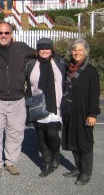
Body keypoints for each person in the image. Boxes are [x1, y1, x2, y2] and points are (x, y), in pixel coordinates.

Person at [0, 21, 35, 178]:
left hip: (18, 99)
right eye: (0, 33)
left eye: (6, 33)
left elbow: (43, 54)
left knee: (15, 133)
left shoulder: (22, 48)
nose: (3, 35)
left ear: (12, 34)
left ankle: (11, 162)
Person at [25, 38, 67, 177]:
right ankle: (47, 164)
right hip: (37, 105)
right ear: (37, 50)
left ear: (51, 50)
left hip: (56, 105)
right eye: (42, 48)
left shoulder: (60, 62)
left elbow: (69, 80)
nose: (44, 51)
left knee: (52, 134)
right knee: (42, 138)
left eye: (47, 48)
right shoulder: (31, 64)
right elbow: (25, 83)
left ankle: (56, 154)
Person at [61, 39, 100, 185]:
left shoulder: (91, 71)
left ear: (86, 52)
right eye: (74, 50)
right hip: (70, 111)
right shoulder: (68, 68)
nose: (77, 52)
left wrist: (92, 114)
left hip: (84, 112)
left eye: (80, 50)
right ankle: (78, 168)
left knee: (85, 143)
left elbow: (94, 94)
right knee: (73, 141)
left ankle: (86, 173)